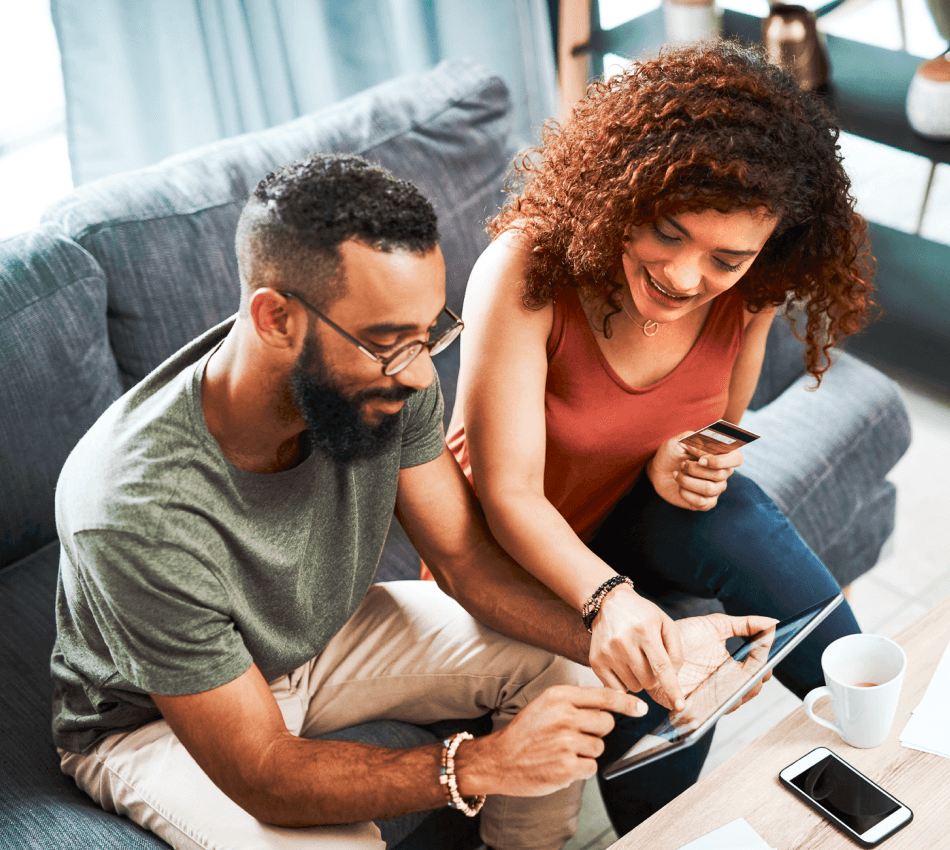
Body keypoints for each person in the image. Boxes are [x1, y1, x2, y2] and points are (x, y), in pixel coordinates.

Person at [50, 152, 773, 850]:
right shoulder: (133, 510)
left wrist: (652, 648)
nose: (424, 374)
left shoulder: (394, 376)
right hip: (155, 717)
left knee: (569, 664)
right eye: (390, 343)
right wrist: (481, 764)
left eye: (431, 331)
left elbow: (465, 560)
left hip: (317, 636)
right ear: (276, 320)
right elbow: (261, 769)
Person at [444, 40, 871, 833]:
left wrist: (686, 456)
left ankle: (883, 728)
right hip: (519, 553)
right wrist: (609, 600)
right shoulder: (530, 267)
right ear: (624, 190)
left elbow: (721, 419)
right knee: (662, 683)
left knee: (731, 512)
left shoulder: (755, 285)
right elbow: (505, 495)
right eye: (668, 232)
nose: (683, 276)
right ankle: (668, 822)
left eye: (725, 258)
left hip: (631, 519)